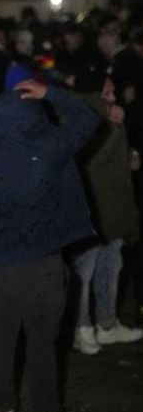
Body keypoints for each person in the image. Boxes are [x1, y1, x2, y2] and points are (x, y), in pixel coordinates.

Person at [0, 77, 99, 412]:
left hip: (0, 264)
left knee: (1, 336)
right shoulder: (51, 148)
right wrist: (50, 93)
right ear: (34, 117)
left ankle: (2, 406)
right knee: (42, 342)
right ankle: (47, 410)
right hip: (42, 263)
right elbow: (89, 119)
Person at [71, 70, 143, 354]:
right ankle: (82, 327)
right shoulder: (84, 118)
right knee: (85, 272)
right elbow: (90, 162)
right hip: (92, 209)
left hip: (112, 209)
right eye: (108, 90)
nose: (113, 96)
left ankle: (107, 323)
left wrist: (131, 156)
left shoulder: (105, 116)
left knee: (111, 266)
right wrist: (116, 129)